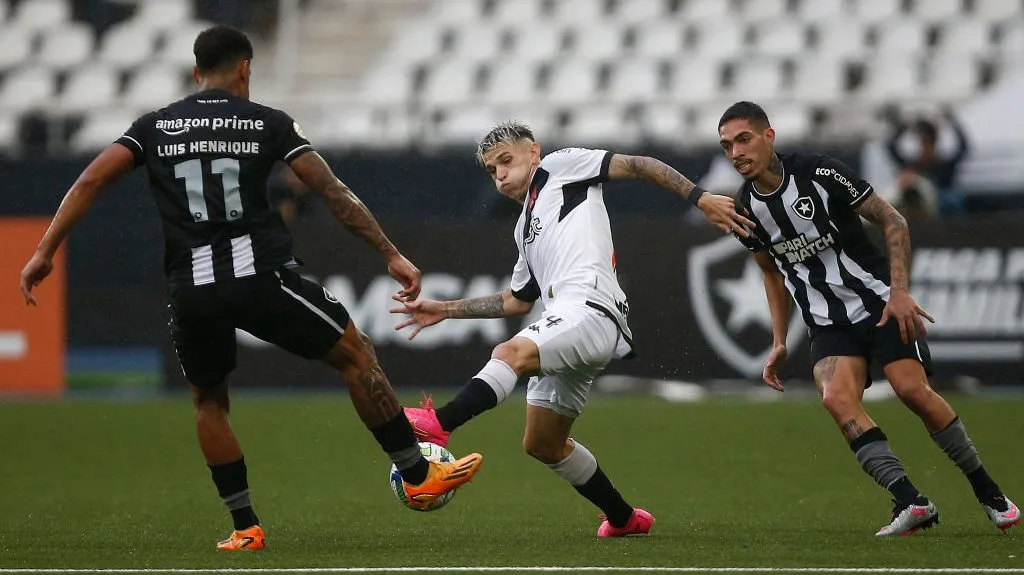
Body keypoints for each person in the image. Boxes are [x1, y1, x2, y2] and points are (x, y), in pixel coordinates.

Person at [18, 25, 482, 551]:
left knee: (208, 403)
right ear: (245, 69)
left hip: (190, 289)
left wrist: (43, 251)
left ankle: (245, 527)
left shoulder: (155, 127)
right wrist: (390, 253)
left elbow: (89, 181)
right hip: (258, 278)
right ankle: (417, 474)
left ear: (196, 73)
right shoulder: (267, 122)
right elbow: (330, 189)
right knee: (356, 354)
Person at [390, 120, 754, 537]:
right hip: (569, 319)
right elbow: (517, 300)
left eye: (506, 161)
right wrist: (446, 309)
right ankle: (624, 518)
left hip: (590, 307)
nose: (501, 174)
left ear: (534, 152)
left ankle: (442, 423)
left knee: (509, 354)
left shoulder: (561, 167)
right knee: (543, 443)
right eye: (493, 170)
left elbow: (638, 165)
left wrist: (700, 197)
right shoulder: (523, 228)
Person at [717, 101, 1018, 537]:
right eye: (727, 146)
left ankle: (989, 492)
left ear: (769, 136)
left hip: (878, 302)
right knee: (836, 399)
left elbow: (893, 221)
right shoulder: (743, 211)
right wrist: (779, 339)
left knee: (912, 391)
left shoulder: (820, 173)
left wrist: (898, 294)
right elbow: (770, 270)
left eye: (744, 139)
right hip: (826, 322)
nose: (736, 152)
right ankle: (911, 501)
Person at [886, 109, 970, 217]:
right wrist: (905, 125)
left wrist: (952, 122)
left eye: (929, 144)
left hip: (943, 211)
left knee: (951, 198)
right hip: (922, 212)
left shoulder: (944, 166)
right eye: (923, 144)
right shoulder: (914, 166)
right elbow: (891, 148)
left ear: (934, 145)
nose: (926, 149)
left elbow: (963, 148)